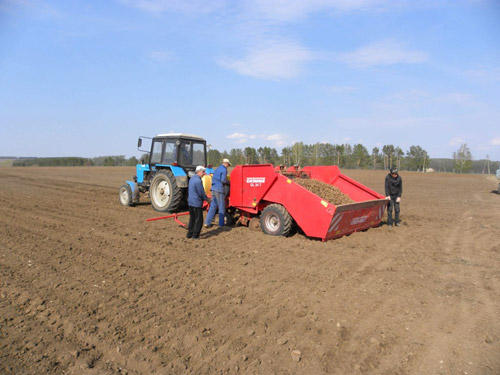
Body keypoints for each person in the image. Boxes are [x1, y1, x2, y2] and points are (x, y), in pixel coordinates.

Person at [204, 158, 231, 228]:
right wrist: (230, 183)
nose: (228, 166)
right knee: (221, 207)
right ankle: (221, 224)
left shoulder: (217, 169)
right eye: (228, 165)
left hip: (213, 189)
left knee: (213, 206)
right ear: (226, 163)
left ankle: (207, 223)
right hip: (219, 190)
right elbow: (223, 181)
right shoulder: (224, 170)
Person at [187, 166, 209, 239]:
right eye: (203, 172)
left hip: (190, 202)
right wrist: (207, 199)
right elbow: (201, 192)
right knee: (199, 220)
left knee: (192, 218)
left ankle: (189, 234)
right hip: (196, 203)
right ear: (199, 171)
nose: (204, 174)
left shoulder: (192, 179)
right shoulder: (198, 181)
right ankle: (195, 235)